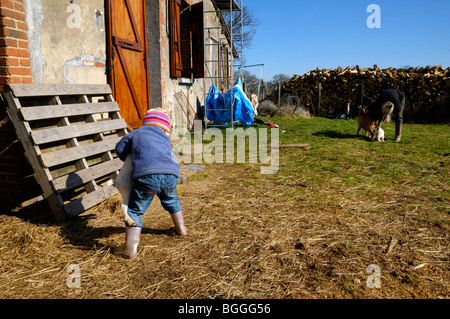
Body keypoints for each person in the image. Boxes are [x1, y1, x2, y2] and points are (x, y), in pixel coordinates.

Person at [113, 108, 187, 259]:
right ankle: (181, 229)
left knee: (134, 211)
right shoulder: (165, 138)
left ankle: (129, 249)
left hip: (146, 176)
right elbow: (171, 157)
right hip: (170, 176)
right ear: (165, 127)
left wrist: (128, 156)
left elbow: (120, 148)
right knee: (172, 201)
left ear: (146, 122)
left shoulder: (138, 132)